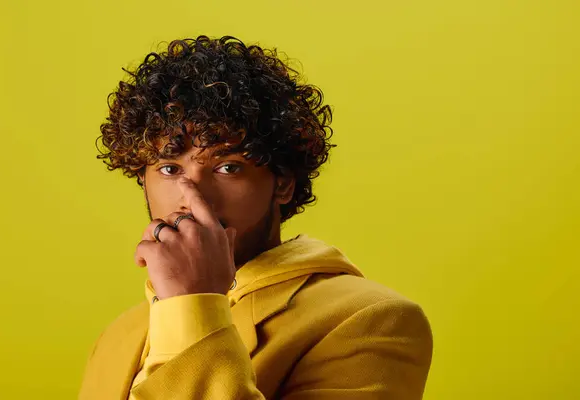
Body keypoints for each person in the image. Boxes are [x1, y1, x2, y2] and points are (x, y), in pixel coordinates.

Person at [79, 35, 433, 400]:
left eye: (228, 167)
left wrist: (194, 306)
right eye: (169, 169)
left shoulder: (372, 319)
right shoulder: (118, 336)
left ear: (282, 184)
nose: (193, 196)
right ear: (142, 180)